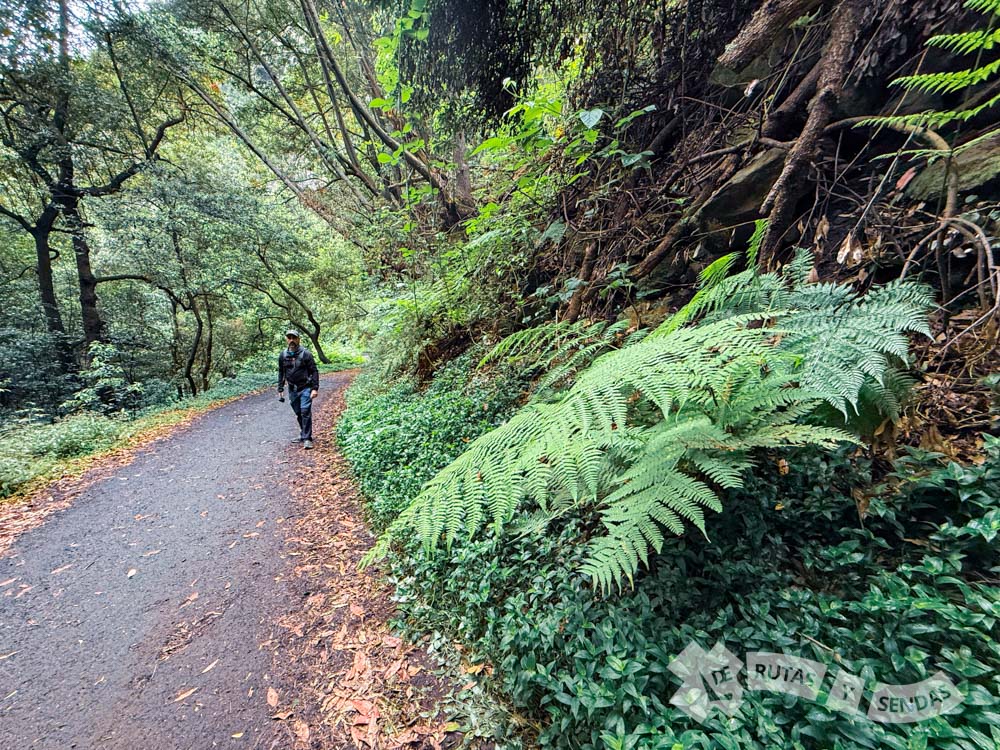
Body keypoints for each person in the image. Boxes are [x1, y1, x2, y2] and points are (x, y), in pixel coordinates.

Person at [277, 329, 319, 449]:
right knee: (298, 412)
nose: (292, 340)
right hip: (292, 389)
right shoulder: (283, 355)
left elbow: (314, 371)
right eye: (289, 338)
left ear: (298, 339)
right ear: (286, 339)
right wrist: (280, 388)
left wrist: (315, 388)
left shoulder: (306, 354)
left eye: (294, 338)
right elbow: (281, 372)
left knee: (305, 411)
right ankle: (303, 434)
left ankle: (307, 438)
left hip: (305, 387)